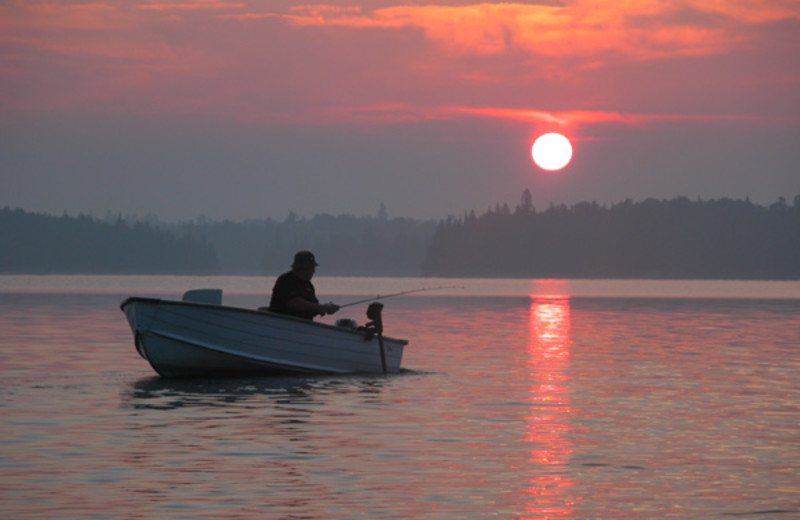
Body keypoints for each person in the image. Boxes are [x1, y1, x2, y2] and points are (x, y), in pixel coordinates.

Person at [268, 251, 339, 320]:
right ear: (304, 268)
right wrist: (319, 308)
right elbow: (294, 303)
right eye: (312, 268)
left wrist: (326, 308)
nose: (314, 271)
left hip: (303, 326)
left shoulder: (309, 286)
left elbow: (313, 306)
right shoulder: (285, 280)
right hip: (283, 322)